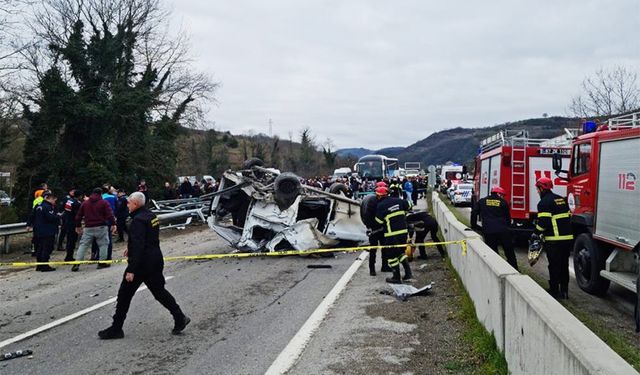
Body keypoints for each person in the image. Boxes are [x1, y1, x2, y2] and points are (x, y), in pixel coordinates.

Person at [98, 192, 190, 339]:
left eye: (128, 202)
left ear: (135, 204)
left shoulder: (138, 220)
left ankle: (116, 328)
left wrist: (131, 270)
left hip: (142, 263)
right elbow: (146, 238)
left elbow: (140, 245)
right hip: (155, 259)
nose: (127, 205)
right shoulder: (150, 216)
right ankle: (179, 317)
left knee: (124, 295)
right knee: (159, 292)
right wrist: (131, 246)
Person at [532, 177, 573, 299]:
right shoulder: (560, 199)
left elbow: (544, 222)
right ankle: (564, 291)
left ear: (542, 188)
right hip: (567, 239)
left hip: (554, 240)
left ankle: (554, 291)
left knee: (554, 266)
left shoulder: (544, 203)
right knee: (563, 265)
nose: (537, 192)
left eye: (538, 189)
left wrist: (535, 233)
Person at [471, 186, 519, 271]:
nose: (502, 197)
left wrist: (473, 226)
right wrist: (508, 228)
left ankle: (497, 269)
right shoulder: (503, 202)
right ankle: (514, 269)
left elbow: (474, 212)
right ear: (498, 193)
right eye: (502, 195)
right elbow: (508, 218)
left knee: (492, 252)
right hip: (503, 231)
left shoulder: (482, 201)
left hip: (488, 231)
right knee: (509, 251)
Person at [73, 188, 117, 271]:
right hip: (101, 227)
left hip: (88, 227)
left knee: (83, 245)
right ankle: (102, 263)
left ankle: (76, 263)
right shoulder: (104, 203)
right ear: (101, 194)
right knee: (103, 245)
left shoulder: (85, 203)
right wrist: (113, 224)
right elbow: (110, 215)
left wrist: (78, 226)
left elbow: (78, 216)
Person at [375, 186, 412, 284]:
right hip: (404, 232)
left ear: (379, 196)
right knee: (400, 252)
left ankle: (396, 277)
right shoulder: (398, 200)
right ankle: (408, 273)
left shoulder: (381, 205)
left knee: (391, 255)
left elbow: (378, 221)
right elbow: (410, 205)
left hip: (391, 234)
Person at [362, 182, 393, 276]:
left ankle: (384, 266)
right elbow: (367, 216)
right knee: (373, 249)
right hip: (374, 229)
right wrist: (370, 227)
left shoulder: (384, 201)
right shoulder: (372, 202)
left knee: (385, 248)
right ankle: (372, 268)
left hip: (383, 228)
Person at [33, 191, 59, 272]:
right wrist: (58, 216)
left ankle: (39, 265)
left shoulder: (38, 205)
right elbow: (50, 218)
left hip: (38, 230)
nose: (55, 200)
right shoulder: (47, 207)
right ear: (48, 198)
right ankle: (45, 266)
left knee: (40, 248)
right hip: (47, 230)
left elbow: (32, 216)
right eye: (53, 199)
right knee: (47, 248)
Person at [62, 190, 83, 261]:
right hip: (73, 223)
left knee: (69, 240)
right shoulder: (76, 203)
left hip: (67, 221)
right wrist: (79, 225)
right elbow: (78, 216)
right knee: (72, 240)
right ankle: (69, 256)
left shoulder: (69, 201)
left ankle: (68, 255)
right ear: (79, 196)